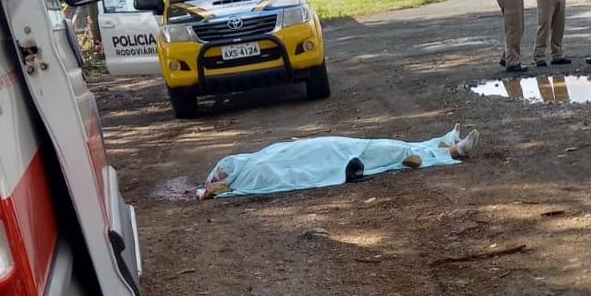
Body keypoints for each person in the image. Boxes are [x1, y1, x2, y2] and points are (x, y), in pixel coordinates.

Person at [199, 124, 481, 199]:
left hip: (330, 147)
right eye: (220, 174)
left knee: (376, 146)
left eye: (220, 171)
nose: (220, 173)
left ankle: (442, 142)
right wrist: (216, 191)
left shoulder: (249, 162)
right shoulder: (252, 177)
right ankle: (452, 152)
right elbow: (294, 176)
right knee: (385, 155)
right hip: (334, 159)